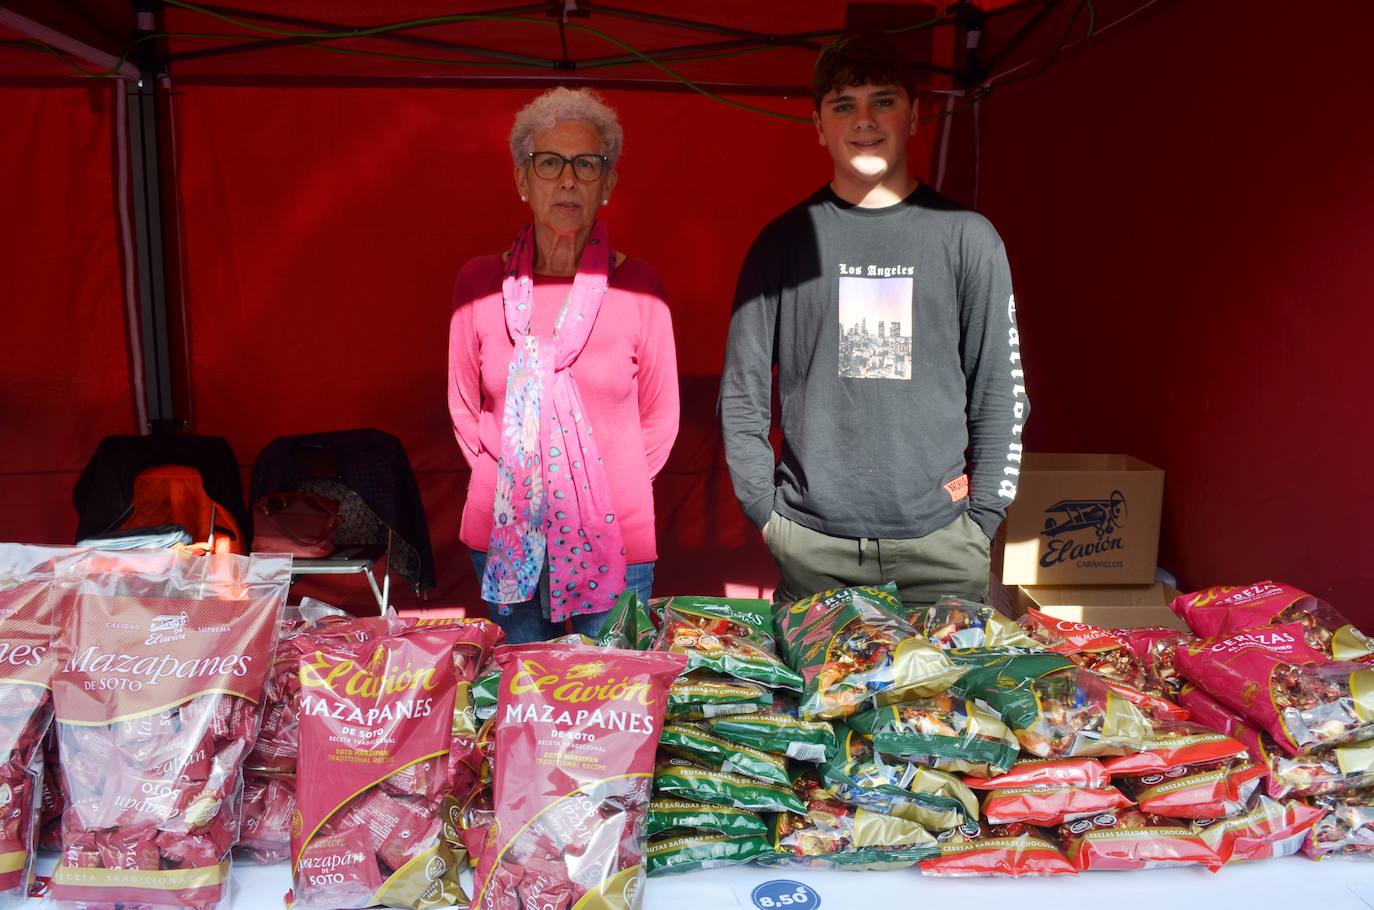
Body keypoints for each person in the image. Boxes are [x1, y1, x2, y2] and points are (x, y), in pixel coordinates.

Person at [719, 33, 1029, 608]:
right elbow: (741, 394)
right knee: (820, 702)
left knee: (944, 703)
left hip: (941, 548)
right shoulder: (782, 245)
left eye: (882, 101)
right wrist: (770, 516)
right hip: (812, 550)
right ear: (818, 124)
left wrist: (981, 519)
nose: (864, 120)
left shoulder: (968, 239)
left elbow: (1000, 393)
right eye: (843, 105)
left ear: (914, 116)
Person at [449, 87, 679, 643]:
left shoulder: (640, 287)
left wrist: (591, 495)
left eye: (586, 164)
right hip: (504, 533)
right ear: (523, 180)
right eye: (549, 163)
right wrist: (518, 486)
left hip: (615, 534)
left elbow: (661, 418)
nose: (568, 180)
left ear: (609, 182)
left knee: (610, 699)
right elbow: (463, 407)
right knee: (525, 700)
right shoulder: (480, 285)